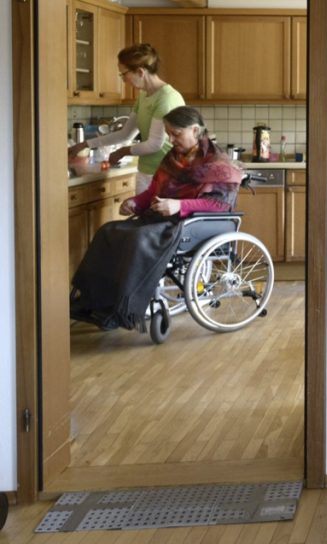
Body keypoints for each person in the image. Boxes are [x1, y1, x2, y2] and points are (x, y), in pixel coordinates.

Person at [71, 106, 244, 331]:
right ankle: (91, 302)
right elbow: (154, 192)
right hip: (163, 219)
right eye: (168, 133)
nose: (171, 139)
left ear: (194, 130)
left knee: (139, 240)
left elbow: (219, 204)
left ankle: (124, 311)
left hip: (192, 224)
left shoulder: (218, 162)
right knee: (109, 232)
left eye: (176, 134)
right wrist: (136, 202)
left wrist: (178, 205)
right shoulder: (173, 157)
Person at [67, 43, 185, 193]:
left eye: (124, 74)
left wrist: (123, 152)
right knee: (141, 215)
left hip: (167, 174)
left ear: (141, 72)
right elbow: (125, 134)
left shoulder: (167, 99)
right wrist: (84, 144)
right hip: (146, 171)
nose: (123, 79)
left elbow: (155, 144)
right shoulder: (144, 96)